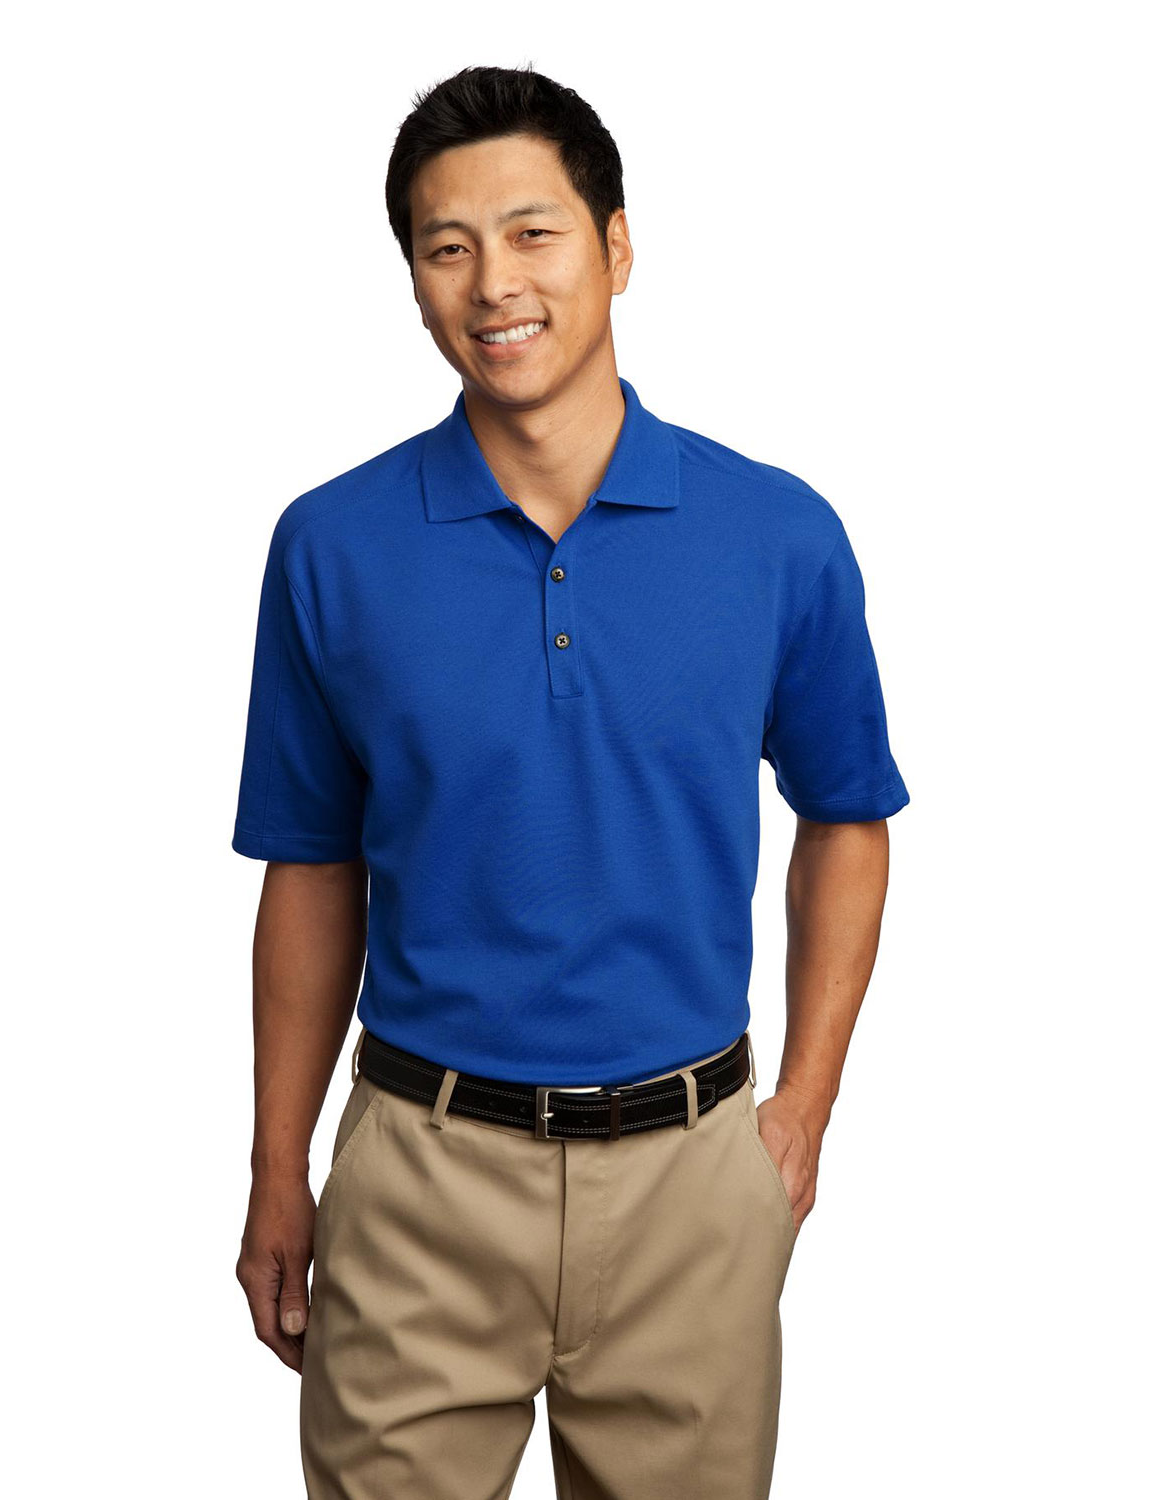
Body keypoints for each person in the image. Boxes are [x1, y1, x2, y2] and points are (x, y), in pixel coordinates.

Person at [232, 63, 909, 1500]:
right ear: (414, 282)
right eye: (447, 247)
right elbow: (311, 867)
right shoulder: (331, 546)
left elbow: (849, 816)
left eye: (533, 233)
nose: (494, 284)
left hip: (690, 1180)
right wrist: (277, 1167)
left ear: (616, 247)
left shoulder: (778, 535)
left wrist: (801, 1111)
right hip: (419, 1182)